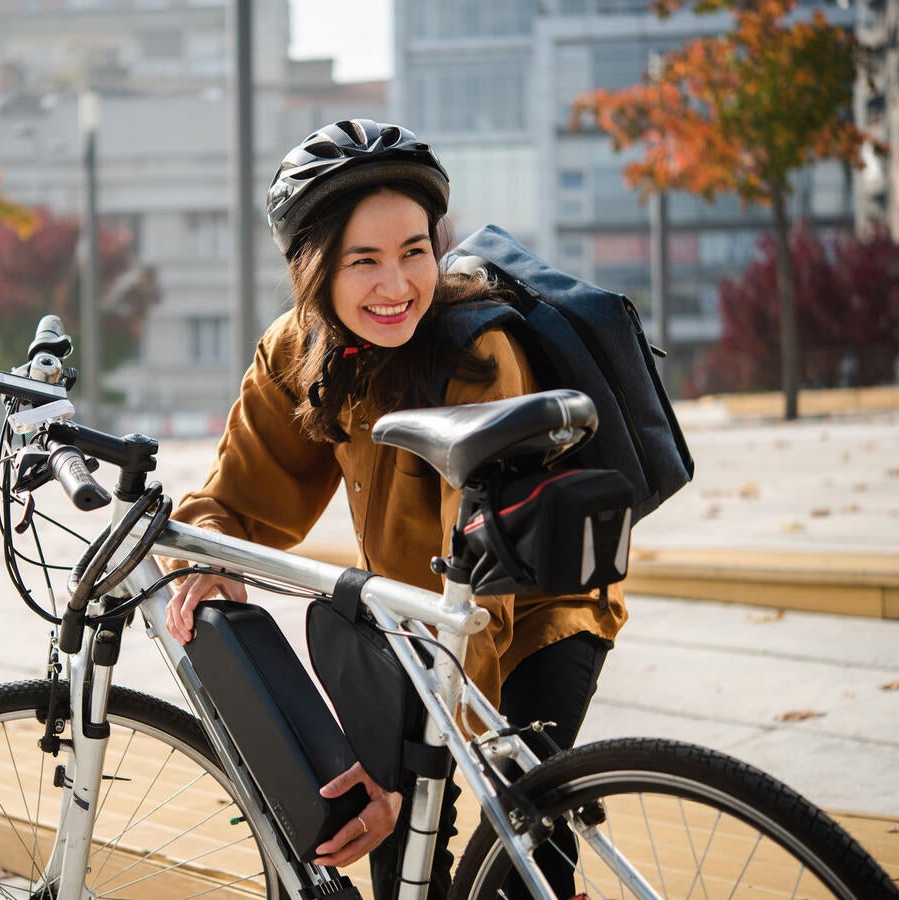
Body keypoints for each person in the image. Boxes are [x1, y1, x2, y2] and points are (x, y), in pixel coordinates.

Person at [164, 118, 625, 899]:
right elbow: (235, 499)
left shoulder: (479, 355)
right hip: (417, 616)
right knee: (401, 867)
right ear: (314, 271)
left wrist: (408, 763)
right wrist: (208, 561)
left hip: (535, 601)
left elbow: (486, 604)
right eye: (364, 260)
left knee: (520, 846)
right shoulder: (298, 351)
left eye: (415, 251)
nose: (398, 284)